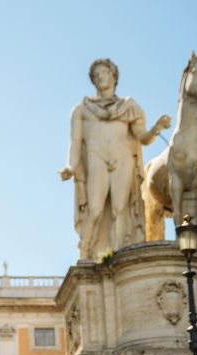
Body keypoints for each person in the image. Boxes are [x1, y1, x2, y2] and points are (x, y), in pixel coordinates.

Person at [59, 58, 171, 258]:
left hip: (123, 157)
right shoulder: (82, 109)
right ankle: (85, 254)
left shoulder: (129, 106)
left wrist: (156, 128)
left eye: (105, 72)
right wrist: (71, 166)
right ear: (93, 80)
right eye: (97, 74)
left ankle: (119, 258)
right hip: (96, 157)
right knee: (94, 210)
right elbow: (75, 143)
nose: (101, 76)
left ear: (114, 76)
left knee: (121, 209)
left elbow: (142, 138)